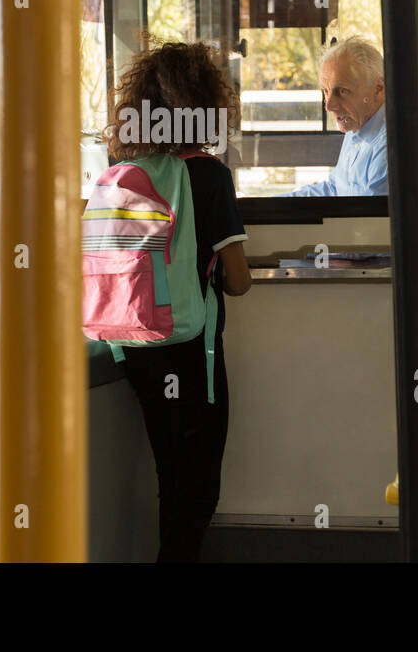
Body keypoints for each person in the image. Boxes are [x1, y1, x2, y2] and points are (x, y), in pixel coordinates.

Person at [104, 40, 252, 562]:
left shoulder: (126, 173)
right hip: (193, 352)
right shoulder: (208, 176)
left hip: (134, 347)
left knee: (171, 474)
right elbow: (236, 280)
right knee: (199, 484)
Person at [280, 37, 388, 196]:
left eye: (342, 91)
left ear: (378, 89)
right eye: (326, 91)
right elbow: (334, 189)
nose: (329, 106)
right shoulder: (356, 128)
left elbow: (368, 218)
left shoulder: (390, 147)